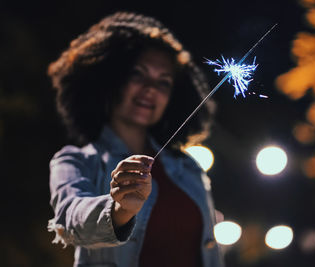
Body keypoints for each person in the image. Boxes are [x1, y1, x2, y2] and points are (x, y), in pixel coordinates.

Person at [47, 11, 223, 267]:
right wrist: (120, 210)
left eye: (164, 82)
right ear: (111, 80)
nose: (151, 88)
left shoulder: (188, 168)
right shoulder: (74, 161)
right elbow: (70, 221)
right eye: (138, 74)